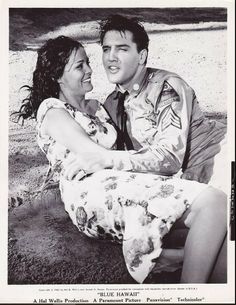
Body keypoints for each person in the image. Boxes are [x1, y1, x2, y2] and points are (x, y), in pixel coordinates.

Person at [13, 35, 227, 284]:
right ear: (57, 77)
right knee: (214, 201)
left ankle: (168, 263)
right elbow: (91, 154)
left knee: (220, 232)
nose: (90, 70)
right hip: (92, 192)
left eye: (88, 62)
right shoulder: (52, 110)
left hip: (124, 183)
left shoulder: (98, 107)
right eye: (79, 66)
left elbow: (120, 151)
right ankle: (191, 292)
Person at [99, 14, 227, 192]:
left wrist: (107, 158)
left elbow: (170, 157)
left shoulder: (166, 87)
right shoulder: (113, 103)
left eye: (122, 49)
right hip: (186, 183)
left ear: (141, 56)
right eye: (106, 49)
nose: (111, 57)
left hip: (219, 162)